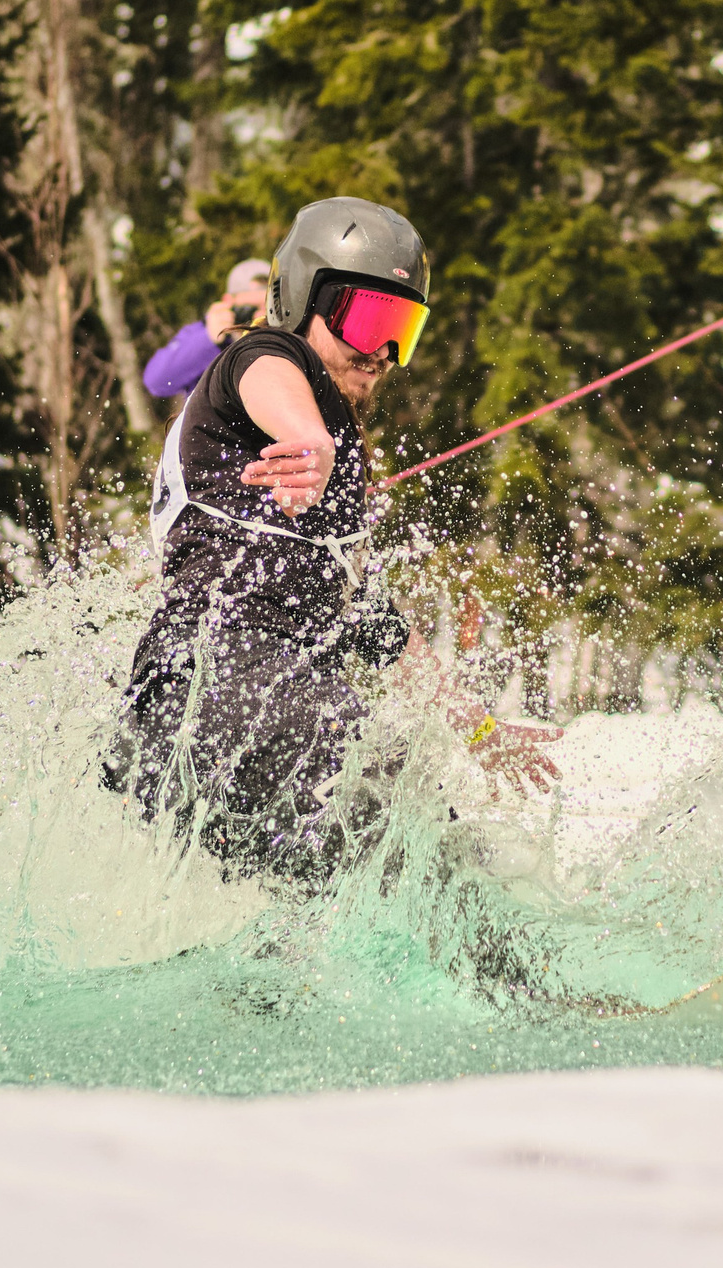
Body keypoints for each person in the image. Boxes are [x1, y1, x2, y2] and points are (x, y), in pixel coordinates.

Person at [107, 198, 558, 880]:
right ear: (299, 296)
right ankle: (501, 981)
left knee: (427, 836)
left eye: (402, 328)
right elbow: (270, 378)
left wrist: (481, 730)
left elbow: (372, 625)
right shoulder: (263, 362)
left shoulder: (330, 484)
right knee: (389, 811)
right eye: (367, 318)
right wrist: (309, 438)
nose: (381, 352)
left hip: (218, 718)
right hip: (207, 687)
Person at [141, 258, 272, 402]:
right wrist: (208, 339)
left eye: (268, 308)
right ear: (229, 301)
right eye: (252, 308)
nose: (261, 316)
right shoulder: (201, 334)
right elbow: (157, 381)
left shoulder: (286, 335)